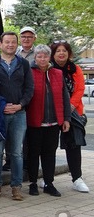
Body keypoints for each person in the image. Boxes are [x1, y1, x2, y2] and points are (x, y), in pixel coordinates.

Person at [0, 32, 34, 201]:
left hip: (19, 113)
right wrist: (0, 104)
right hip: (0, 114)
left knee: (16, 152)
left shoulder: (23, 63)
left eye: (13, 42)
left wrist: (20, 105)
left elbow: (29, 89)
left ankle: (16, 187)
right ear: (0, 44)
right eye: (7, 42)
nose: (10, 45)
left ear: (17, 44)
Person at [26, 45, 70, 197]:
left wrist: (66, 119)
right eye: (39, 56)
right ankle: (32, 183)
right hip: (34, 121)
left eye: (45, 56)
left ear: (49, 58)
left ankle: (49, 183)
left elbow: (65, 97)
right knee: (33, 153)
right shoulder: (29, 73)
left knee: (49, 154)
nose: (42, 59)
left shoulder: (57, 73)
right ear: (35, 58)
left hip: (53, 122)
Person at [51, 41, 89, 193]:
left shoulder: (75, 69)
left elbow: (80, 89)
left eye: (64, 51)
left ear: (69, 53)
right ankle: (47, 178)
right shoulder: (49, 69)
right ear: (53, 54)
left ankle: (77, 178)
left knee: (73, 145)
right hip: (53, 111)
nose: (61, 53)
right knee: (49, 145)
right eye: (58, 51)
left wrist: (70, 106)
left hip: (73, 111)